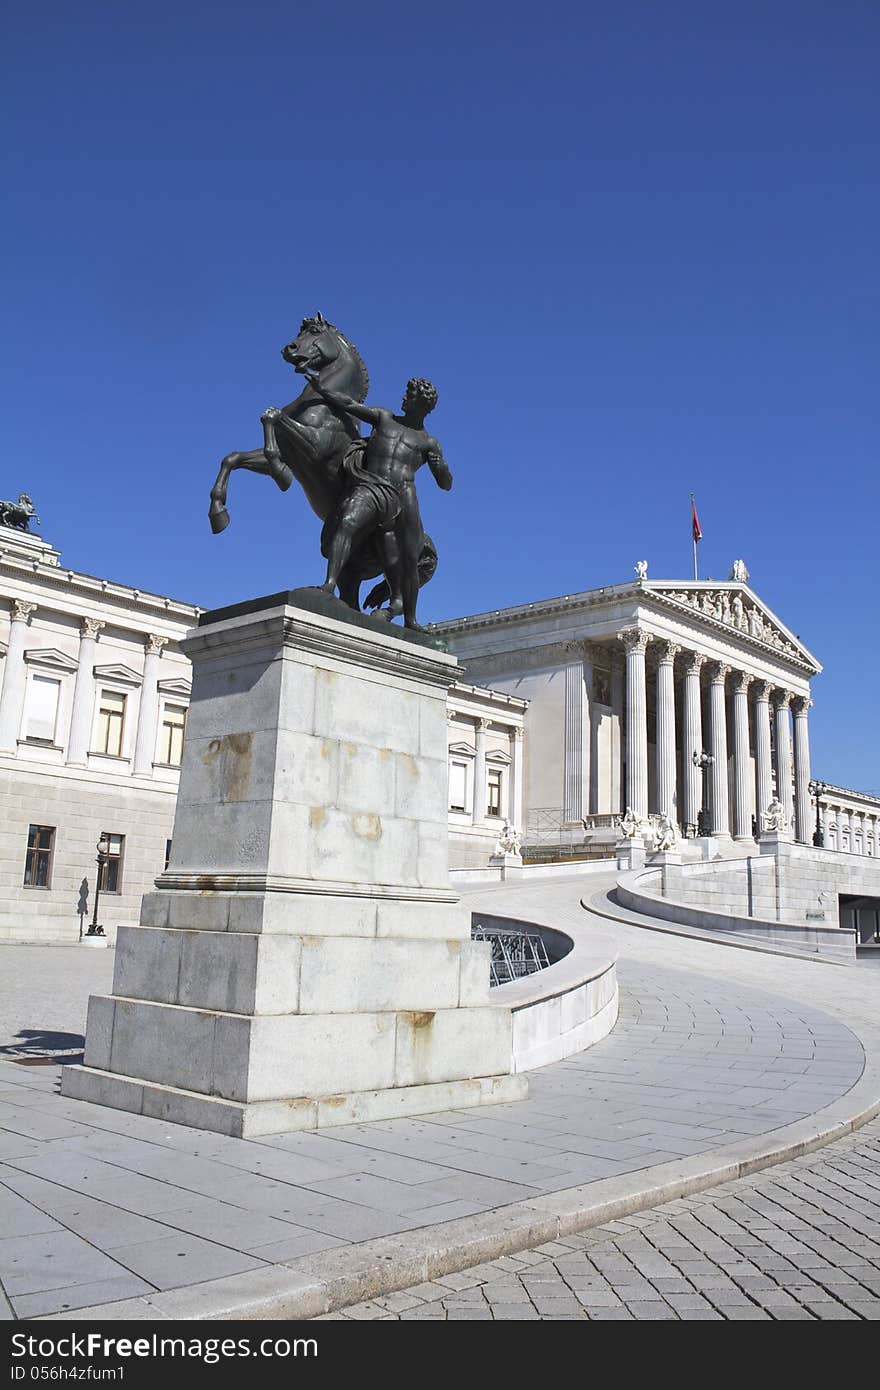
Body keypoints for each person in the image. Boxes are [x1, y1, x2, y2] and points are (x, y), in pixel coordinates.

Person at [304, 372, 452, 629]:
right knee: (347, 521)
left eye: (411, 396)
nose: (405, 398)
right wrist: (322, 387)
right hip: (373, 486)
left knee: (408, 558)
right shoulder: (385, 418)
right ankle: (329, 584)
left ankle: (410, 618)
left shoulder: (429, 442)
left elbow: (446, 484)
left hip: (404, 497)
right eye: (407, 394)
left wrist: (441, 468)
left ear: (423, 405)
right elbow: (349, 405)